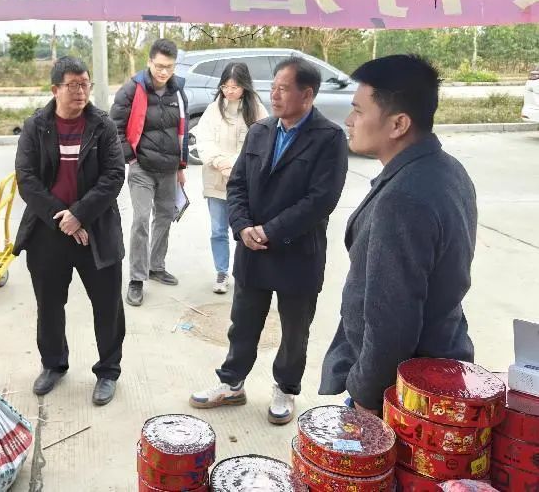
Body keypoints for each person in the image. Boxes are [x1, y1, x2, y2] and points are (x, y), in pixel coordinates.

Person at [190, 56, 348, 425]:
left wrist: (270, 230)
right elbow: (238, 184)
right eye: (273, 87)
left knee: (294, 330)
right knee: (243, 322)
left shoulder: (329, 138)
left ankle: (285, 388)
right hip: (252, 249)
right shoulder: (260, 130)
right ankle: (232, 383)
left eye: (283, 88)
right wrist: (243, 226)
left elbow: (321, 200)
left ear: (307, 94)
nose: (274, 95)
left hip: (298, 252)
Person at [320, 55, 476, 414]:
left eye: (358, 111)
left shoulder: (403, 198)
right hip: (438, 368)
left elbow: (392, 322)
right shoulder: (446, 169)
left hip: (402, 393)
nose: (349, 121)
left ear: (398, 124)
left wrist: (368, 397)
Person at [13, 56, 126, 406]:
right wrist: (62, 218)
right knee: (49, 305)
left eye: (85, 84)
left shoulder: (102, 126)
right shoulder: (36, 126)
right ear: (55, 89)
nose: (81, 91)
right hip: (48, 232)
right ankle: (53, 364)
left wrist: (79, 215)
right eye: (73, 85)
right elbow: (26, 179)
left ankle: (108, 371)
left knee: (107, 306)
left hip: (96, 230)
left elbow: (114, 176)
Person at [110, 39, 189, 307]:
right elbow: (115, 128)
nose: (163, 72)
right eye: (159, 66)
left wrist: (181, 166)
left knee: (165, 217)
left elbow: (183, 130)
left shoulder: (178, 91)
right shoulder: (133, 89)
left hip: (169, 170)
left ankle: (156, 266)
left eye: (169, 67)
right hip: (142, 168)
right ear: (149, 62)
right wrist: (131, 158)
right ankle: (136, 277)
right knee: (141, 220)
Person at [195, 62, 267, 294]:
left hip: (244, 182)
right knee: (218, 230)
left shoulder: (257, 110)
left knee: (245, 228)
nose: (229, 91)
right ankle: (222, 272)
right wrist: (218, 161)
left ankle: (246, 272)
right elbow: (203, 140)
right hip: (216, 179)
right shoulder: (213, 109)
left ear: (244, 86)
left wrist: (235, 165)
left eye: (234, 87)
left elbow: (261, 143)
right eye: (225, 87)